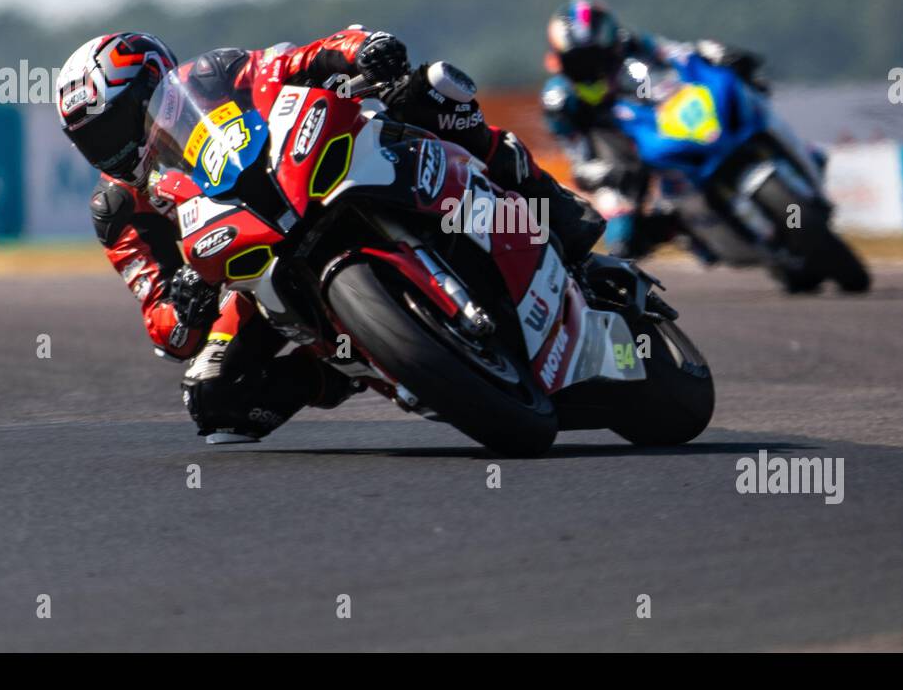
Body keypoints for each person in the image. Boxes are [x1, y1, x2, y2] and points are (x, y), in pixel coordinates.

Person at [55, 29, 602, 443]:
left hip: (301, 163)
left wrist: (365, 48)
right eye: (94, 141)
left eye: (117, 124)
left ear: (155, 82)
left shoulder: (213, 74)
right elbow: (161, 321)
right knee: (213, 399)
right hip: (240, 259)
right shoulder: (118, 208)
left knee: (431, 89)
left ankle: (549, 203)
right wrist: (184, 303)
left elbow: (298, 59)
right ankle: (346, 365)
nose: (114, 149)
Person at [540, 0, 766, 257]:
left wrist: (711, 52)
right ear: (561, 61)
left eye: (598, 55)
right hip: (619, 158)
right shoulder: (560, 99)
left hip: (661, 124)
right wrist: (595, 171)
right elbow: (576, 154)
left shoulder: (634, 45)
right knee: (622, 231)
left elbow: (678, 53)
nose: (593, 66)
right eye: (580, 60)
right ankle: (674, 235)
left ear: (613, 43)